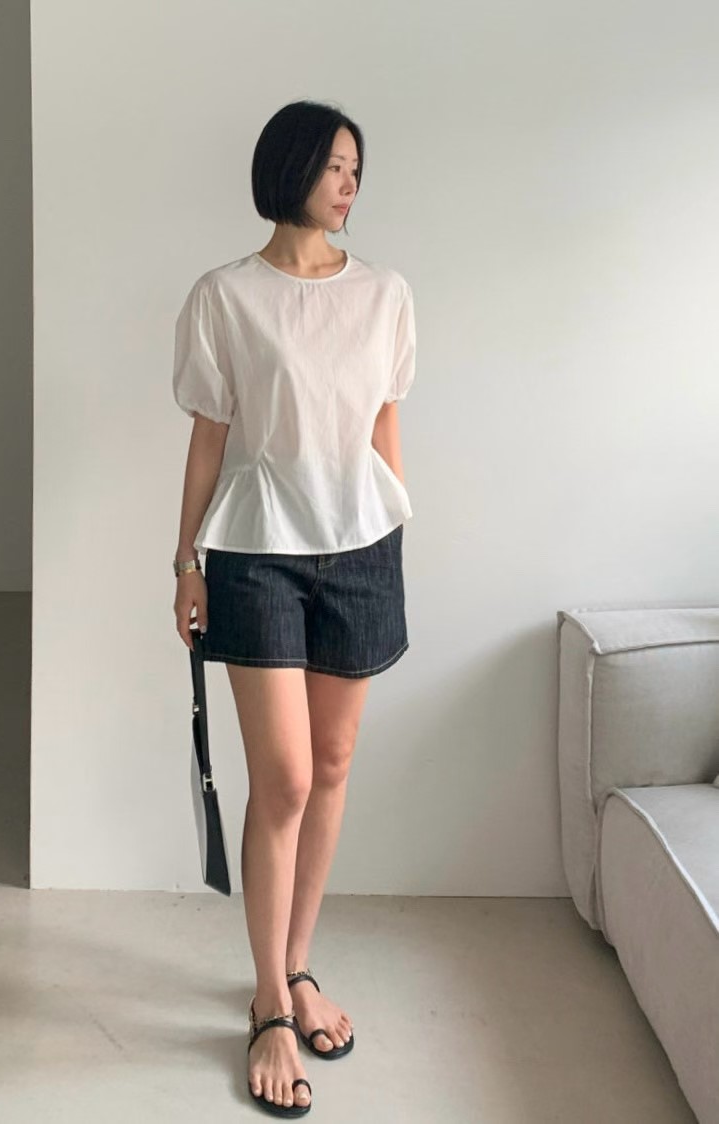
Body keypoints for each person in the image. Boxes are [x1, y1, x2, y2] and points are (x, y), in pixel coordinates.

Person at [171, 99, 416, 1118]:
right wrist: (186, 560)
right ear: (290, 169)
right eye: (332, 165)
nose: (348, 182)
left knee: (332, 765)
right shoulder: (225, 296)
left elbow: (384, 420)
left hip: (362, 549)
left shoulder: (386, 293)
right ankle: (269, 1000)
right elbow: (209, 435)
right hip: (255, 550)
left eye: (357, 167)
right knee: (281, 779)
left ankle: (298, 963)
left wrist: (396, 523)